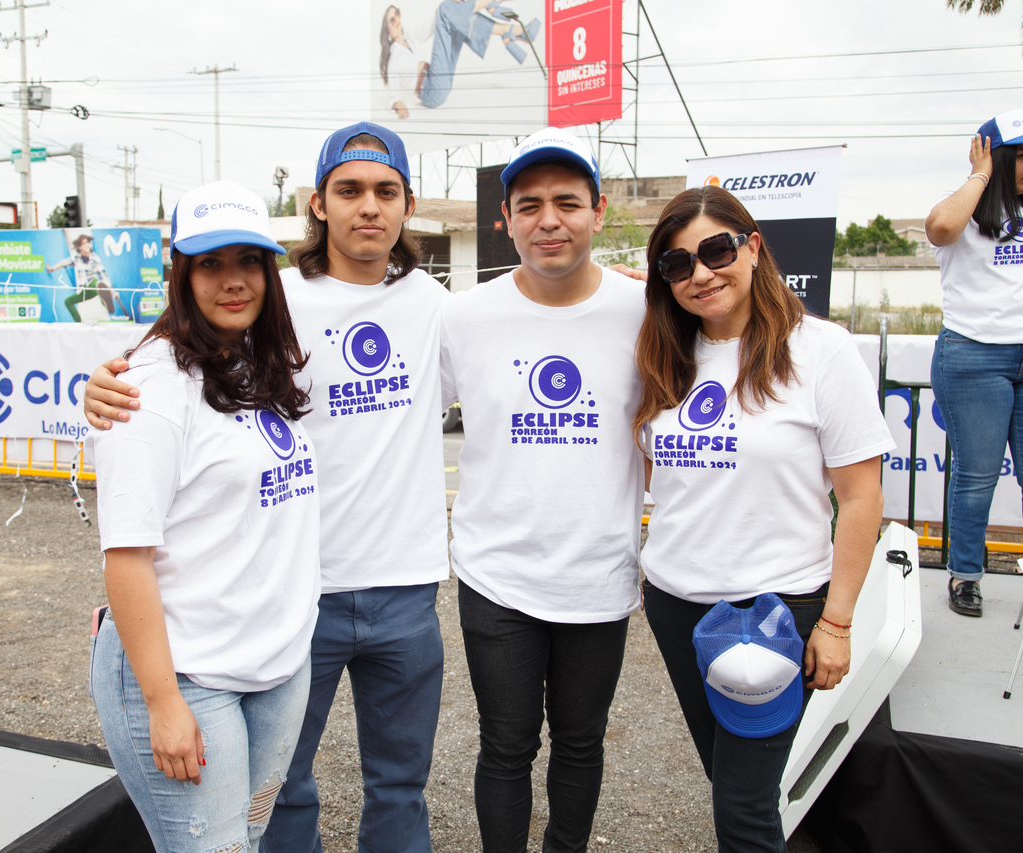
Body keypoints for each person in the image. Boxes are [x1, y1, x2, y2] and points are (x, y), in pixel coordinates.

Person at [85, 122, 450, 853]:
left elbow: (538, 321)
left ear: (409, 204)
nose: (368, 206)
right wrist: (98, 387)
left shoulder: (436, 304)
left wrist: (642, 291)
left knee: (384, 786)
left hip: (388, 591)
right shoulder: (266, 299)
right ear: (319, 203)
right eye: (349, 189)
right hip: (293, 601)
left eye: (386, 191)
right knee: (279, 801)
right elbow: (164, 367)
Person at [635, 185, 892, 852]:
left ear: (753, 247)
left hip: (775, 609)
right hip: (676, 603)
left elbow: (861, 498)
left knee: (743, 805)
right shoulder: (664, 354)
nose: (700, 274)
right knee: (728, 779)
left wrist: (836, 622)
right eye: (677, 264)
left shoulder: (821, 350)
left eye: (716, 251)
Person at [87, 181, 320, 852]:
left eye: (248, 261)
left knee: (248, 836)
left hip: (275, 664)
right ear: (181, 274)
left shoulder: (256, 360)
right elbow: (126, 556)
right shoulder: (150, 387)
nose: (233, 280)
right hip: (187, 675)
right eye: (210, 263)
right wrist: (162, 703)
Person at [440, 127, 644, 853]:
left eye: (567, 203)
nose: (548, 221)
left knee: (581, 742)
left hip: (599, 570)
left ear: (598, 211)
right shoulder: (463, 315)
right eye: (529, 205)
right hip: (497, 573)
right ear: (506, 218)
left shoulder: (646, 308)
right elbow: (387, 410)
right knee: (506, 744)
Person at [925, 109, 1023, 635]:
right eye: (1022, 155)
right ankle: (965, 575)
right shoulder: (963, 208)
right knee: (977, 476)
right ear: (993, 156)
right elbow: (941, 228)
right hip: (975, 357)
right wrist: (981, 174)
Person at [379, 1, 540, 118]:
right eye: (392, 20)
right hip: (431, 90)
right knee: (448, 10)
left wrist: (454, 7)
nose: (397, 21)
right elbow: (392, 94)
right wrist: (397, 103)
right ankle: (507, 24)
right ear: (387, 31)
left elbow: (434, 21)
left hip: (441, 78)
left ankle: (508, 28)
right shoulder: (394, 58)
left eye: (397, 14)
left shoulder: (411, 37)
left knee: (453, 16)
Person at [48, 234, 128, 321]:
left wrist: (112, 292)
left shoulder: (95, 258)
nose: (86, 245)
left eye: (87, 242)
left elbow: (104, 275)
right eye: (83, 243)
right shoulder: (76, 257)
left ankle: (107, 304)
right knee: (67, 301)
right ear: (80, 246)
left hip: (94, 287)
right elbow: (64, 263)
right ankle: (78, 323)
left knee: (97, 283)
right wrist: (52, 269)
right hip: (83, 290)